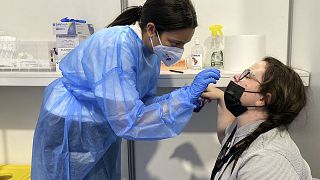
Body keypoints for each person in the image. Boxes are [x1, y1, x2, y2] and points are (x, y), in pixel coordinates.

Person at [31, 0, 220, 179]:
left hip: (100, 124)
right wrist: (185, 97)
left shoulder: (151, 52)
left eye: (184, 44)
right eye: (176, 43)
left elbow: (140, 105)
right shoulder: (117, 46)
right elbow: (130, 120)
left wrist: (184, 99)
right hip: (71, 123)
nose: (179, 51)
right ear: (151, 29)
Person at [202, 57, 312, 180]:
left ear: (263, 99)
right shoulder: (245, 128)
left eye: (248, 76)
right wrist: (220, 96)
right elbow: (225, 134)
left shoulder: (266, 160)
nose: (237, 76)